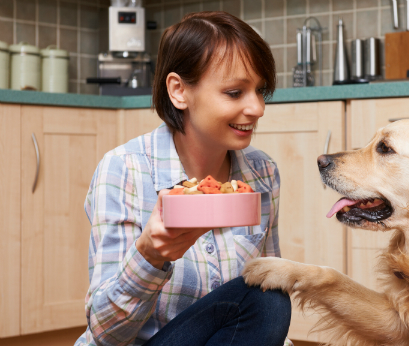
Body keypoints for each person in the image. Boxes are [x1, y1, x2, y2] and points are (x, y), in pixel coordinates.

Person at [75, 11, 292, 346]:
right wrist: (149, 256)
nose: (258, 108)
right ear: (179, 90)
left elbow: (257, 317)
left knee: (271, 292)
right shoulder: (125, 170)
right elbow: (105, 334)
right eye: (235, 92)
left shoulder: (262, 174)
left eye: (260, 90)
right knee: (267, 298)